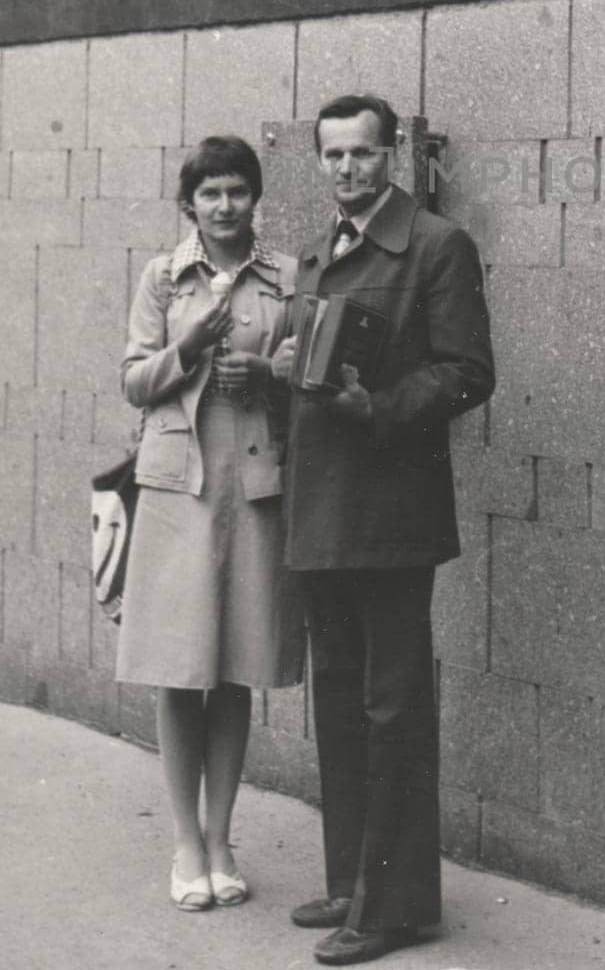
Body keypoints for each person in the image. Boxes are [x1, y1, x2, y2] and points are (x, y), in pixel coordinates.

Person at [272, 93, 494, 967]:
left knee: (393, 707)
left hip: (392, 516)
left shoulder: (438, 245)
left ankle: (396, 905)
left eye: (362, 155)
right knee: (338, 699)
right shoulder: (317, 250)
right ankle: (352, 880)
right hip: (323, 510)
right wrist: (283, 369)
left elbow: (470, 371)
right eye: (332, 156)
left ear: (393, 154)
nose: (346, 170)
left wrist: (383, 405)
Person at [116, 135, 305, 912]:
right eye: (210, 194)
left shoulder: (289, 277)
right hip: (178, 488)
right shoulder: (164, 277)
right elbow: (133, 382)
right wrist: (187, 350)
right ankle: (185, 844)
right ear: (188, 203)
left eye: (237, 191)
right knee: (179, 664)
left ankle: (222, 838)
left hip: (253, 485)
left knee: (234, 667)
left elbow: (306, 382)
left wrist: (266, 374)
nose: (224, 206)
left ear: (255, 199)